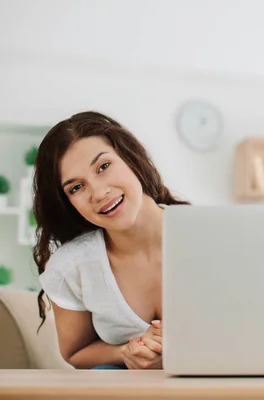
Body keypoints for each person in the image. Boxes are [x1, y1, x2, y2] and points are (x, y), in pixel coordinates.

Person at [33, 111, 189, 369]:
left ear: (130, 159)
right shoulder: (72, 267)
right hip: (125, 389)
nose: (99, 192)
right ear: (68, 203)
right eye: (76, 187)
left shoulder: (211, 236)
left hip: (213, 380)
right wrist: (126, 352)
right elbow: (75, 353)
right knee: (104, 371)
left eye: (103, 167)